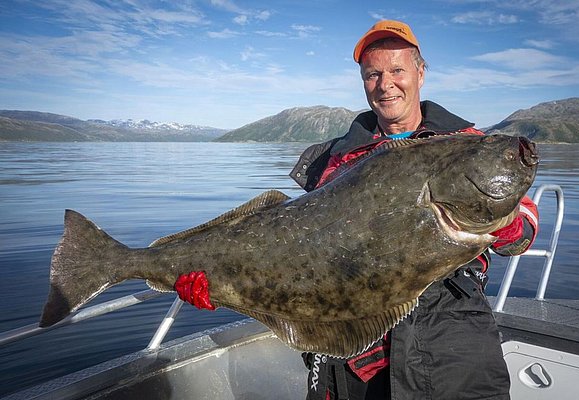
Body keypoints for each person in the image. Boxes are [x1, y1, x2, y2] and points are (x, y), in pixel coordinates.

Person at [175, 19, 539, 400]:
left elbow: (523, 233)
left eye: (397, 70)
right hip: (356, 352)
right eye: (373, 74)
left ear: (420, 72)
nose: (385, 84)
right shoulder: (333, 161)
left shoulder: (468, 143)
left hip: (450, 338)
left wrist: (505, 225)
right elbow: (297, 249)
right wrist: (218, 280)